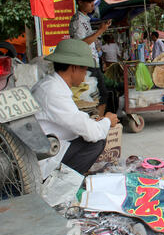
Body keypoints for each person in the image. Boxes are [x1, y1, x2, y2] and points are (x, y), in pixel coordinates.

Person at [32, 39, 119, 174]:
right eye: (84, 70)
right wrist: (107, 120)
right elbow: (93, 133)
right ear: (74, 68)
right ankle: (61, 182)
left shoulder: (50, 85)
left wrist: (92, 123)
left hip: (50, 144)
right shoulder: (53, 91)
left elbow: (74, 121)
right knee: (97, 141)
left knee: (90, 132)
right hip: (43, 158)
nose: (85, 75)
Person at [69, 0, 110, 117]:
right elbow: (81, 43)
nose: (92, 4)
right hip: (85, 64)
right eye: (89, 1)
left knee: (99, 95)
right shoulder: (77, 21)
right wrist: (100, 31)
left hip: (92, 62)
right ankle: (97, 124)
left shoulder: (85, 19)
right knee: (96, 95)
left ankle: (97, 123)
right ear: (80, 2)